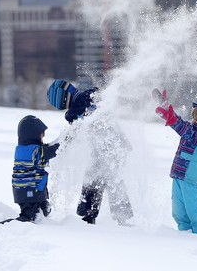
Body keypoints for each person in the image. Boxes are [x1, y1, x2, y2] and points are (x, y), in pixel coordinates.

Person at [47, 79, 133, 226]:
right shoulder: (90, 95)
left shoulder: (77, 109)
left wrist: (54, 148)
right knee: (113, 179)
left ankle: (88, 217)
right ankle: (122, 217)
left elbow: (71, 135)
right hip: (116, 143)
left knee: (94, 178)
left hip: (104, 148)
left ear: (63, 100)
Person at [155, 92, 197, 235]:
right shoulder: (193, 129)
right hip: (179, 175)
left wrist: (174, 122)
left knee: (195, 214)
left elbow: (190, 135)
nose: (194, 121)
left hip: (192, 179)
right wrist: (169, 112)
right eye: (193, 117)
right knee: (179, 214)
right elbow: (183, 127)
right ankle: (186, 237)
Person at [0, 115, 60, 224]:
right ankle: (7, 225)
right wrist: (65, 142)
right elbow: (51, 151)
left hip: (28, 190)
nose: (42, 139)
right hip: (28, 190)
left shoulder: (25, 149)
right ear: (33, 135)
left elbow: (46, 149)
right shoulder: (33, 151)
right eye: (41, 136)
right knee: (30, 217)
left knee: (45, 209)